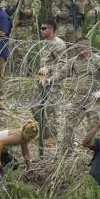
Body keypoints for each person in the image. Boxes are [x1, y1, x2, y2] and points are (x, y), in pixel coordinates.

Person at [45, 39, 100, 151]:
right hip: (78, 98)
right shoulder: (74, 61)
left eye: (79, 47)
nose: (76, 50)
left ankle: (95, 152)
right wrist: (49, 80)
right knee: (69, 125)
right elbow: (61, 74)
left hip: (93, 99)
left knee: (93, 127)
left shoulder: (99, 61)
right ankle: (66, 151)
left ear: (86, 47)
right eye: (75, 47)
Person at [31, 19, 67, 147]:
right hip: (41, 80)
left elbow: (62, 65)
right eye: (41, 28)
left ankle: (53, 137)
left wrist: (50, 75)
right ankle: (46, 133)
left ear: (51, 29)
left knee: (51, 109)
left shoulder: (59, 44)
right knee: (35, 106)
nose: (41, 30)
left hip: (52, 82)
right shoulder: (45, 43)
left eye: (44, 28)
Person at [1, 0, 41, 71]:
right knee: (11, 51)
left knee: (22, 52)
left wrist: (25, 11)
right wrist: (8, 11)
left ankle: (23, 72)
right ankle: (12, 72)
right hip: (13, 28)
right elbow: (2, 8)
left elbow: (34, 12)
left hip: (26, 29)